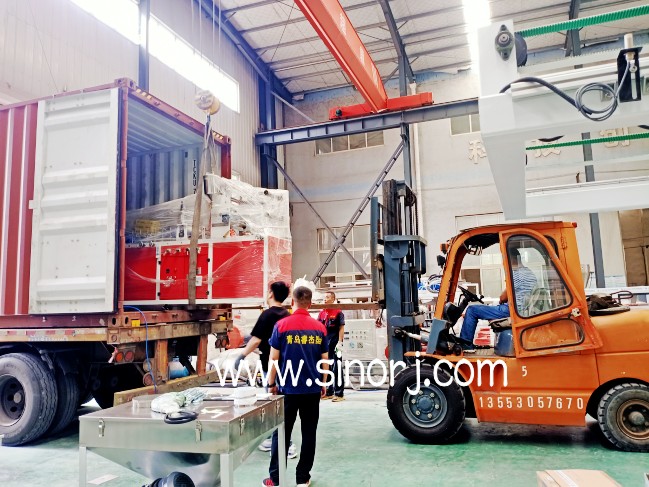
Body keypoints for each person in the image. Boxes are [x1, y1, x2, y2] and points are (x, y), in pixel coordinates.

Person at [262, 286, 329, 487]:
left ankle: (275, 479)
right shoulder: (319, 328)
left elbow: (274, 358)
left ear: (292, 302)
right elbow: (324, 360)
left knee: (281, 433)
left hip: (287, 390)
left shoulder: (281, 326)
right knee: (309, 433)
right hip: (312, 389)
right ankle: (303, 478)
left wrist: (271, 383)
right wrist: (323, 382)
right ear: (310, 303)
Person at [234, 281, 297, 459]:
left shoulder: (268, 315)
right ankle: (272, 438)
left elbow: (256, 340)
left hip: (272, 365)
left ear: (271, 294)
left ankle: (286, 444)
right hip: (287, 366)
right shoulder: (287, 315)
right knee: (278, 403)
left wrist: (241, 356)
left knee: (274, 403)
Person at [459, 249, 536, 353]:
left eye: (504, 261)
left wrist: (500, 301)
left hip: (510, 310)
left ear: (511, 259)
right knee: (480, 309)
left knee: (472, 310)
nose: (503, 264)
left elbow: (503, 298)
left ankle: (466, 345)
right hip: (519, 309)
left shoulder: (516, 274)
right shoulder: (529, 273)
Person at [317, 291, 345, 401]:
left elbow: (341, 328)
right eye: (324, 297)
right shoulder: (322, 313)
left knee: (337, 367)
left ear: (333, 299)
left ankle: (339, 394)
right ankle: (329, 391)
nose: (325, 299)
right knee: (326, 367)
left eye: (328, 297)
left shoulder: (338, 312)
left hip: (335, 344)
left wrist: (340, 342)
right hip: (325, 344)